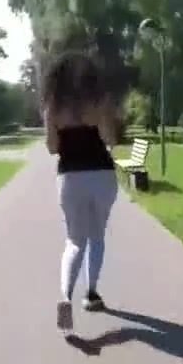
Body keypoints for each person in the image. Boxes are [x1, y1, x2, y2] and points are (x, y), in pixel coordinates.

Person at [43, 52, 121, 334]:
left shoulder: (53, 107)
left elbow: (52, 148)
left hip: (70, 178)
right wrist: (101, 120)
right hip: (101, 175)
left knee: (75, 240)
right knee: (97, 236)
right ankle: (91, 294)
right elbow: (110, 139)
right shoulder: (99, 102)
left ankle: (66, 297)